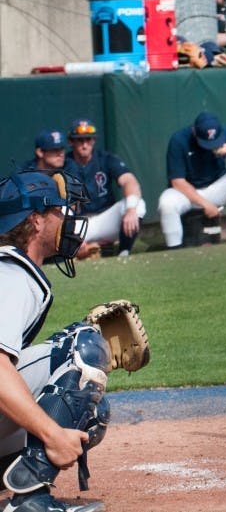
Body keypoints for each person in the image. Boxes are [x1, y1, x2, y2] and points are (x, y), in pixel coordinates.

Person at [0, 170, 111, 512]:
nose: (67, 220)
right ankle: (29, 502)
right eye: (59, 212)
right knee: (82, 348)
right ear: (35, 221)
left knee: (90, 407)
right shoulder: (12, 275)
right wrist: (51, 434)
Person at [157, 111, 226, 248]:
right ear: (194, 131)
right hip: (187, 194)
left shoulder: (224, 134)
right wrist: (205, 204)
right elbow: (177, 182)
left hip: (215, 190)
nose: (211, 146)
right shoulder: (179, 139)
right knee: (166, 203)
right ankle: (175, 250)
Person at [62, 118, 146, 259]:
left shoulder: (105, 158)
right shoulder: (64, 164)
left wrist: (130, 210)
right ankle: (84, 250)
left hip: (105, 219)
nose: (84, 144)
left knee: (138, 205)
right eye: (79, 140)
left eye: (88, 140)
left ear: (93, 141)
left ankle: (123, 253)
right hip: (78, 224)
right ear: (71, 142)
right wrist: (71, 233)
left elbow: (129, 181)